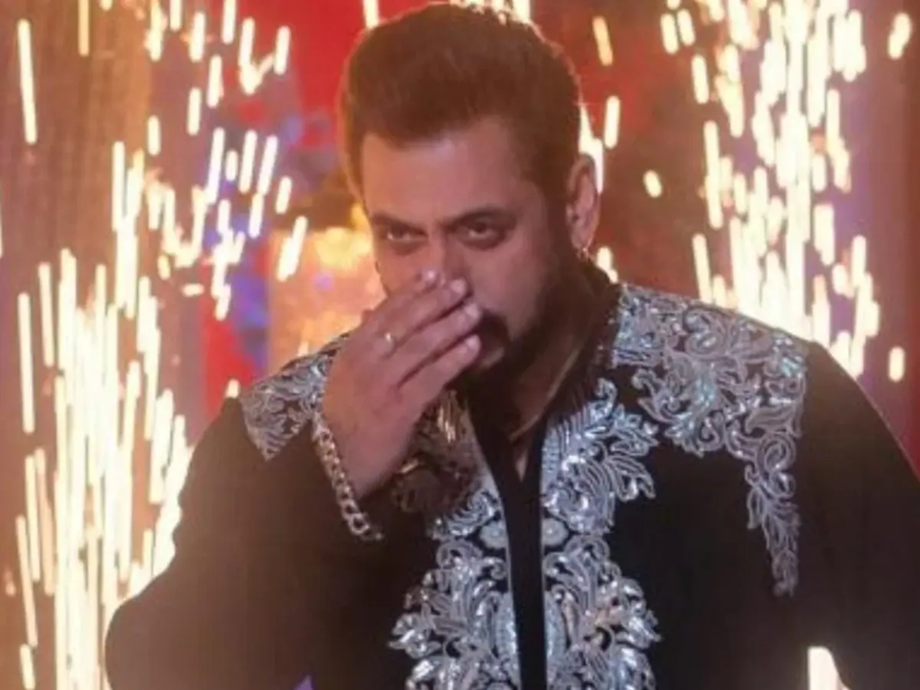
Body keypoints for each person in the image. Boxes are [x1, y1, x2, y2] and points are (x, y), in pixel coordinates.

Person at [104, 4, 920, 689]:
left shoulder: (767, 400)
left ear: (577, 205)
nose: (439, 280)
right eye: (401, 236)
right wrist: (330, 475)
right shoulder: (281, 431)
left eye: (481, 231)